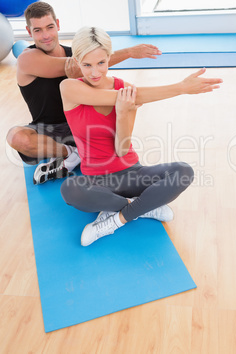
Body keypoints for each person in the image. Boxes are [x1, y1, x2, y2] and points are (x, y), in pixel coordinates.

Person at [59, 26, 223, 247]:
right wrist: (181, 87)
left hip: (132, 173)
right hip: (96, 181)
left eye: (101, 63)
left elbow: (121, 149)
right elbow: (126, 96)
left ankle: (115, 220)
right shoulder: (69, 88)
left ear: (109, 58)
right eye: (87, 65)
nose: (95, 72)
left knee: (183, 171)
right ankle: (144, 207)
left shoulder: (125, 89)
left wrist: (125, 112)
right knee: (70, 189)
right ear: (77, 62)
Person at [6, 1, 162, 185]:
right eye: (38, 30)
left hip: (81, 125)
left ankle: (86, 149)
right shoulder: (27, 58)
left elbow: (98, 73)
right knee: (16, 137)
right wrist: (129, 52)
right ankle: (72, 153)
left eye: (49, 27)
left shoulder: (79, 54)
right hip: (47, 130)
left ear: (58, 24)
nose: (46, 35)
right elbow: (70, 67)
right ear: (29, 31)